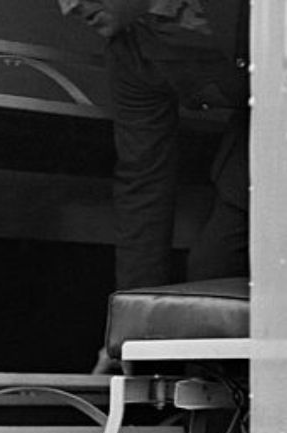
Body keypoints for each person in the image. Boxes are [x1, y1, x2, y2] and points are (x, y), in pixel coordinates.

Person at [58, 0, 249, 291]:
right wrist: (137, 310)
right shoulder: (130, 55)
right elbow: (144, 181)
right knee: (215, 274)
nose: (67, 8)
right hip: (253, 163)